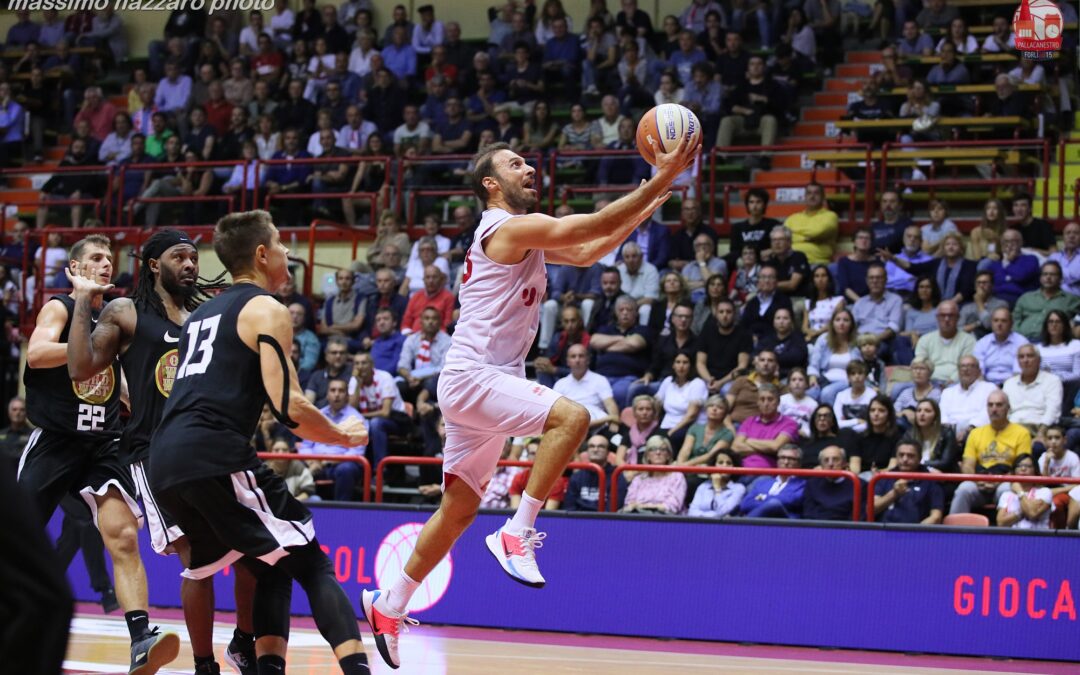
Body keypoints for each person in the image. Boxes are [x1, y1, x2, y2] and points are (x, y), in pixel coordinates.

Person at [362, 137, 698, 668]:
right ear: (491, 185)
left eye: (527, 161)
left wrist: (646, 204)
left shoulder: (524, 238)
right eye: (515, 165)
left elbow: (587, 251)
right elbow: (580, 228)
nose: (529, 169)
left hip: (483, 381)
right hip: (476, 376)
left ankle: (389, 604)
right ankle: (516, 533)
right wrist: (661, 178)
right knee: (574, 415)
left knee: (459, 508)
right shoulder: (506, 226)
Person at [148, 212, 372, 675]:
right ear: (261, 254)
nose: (290, 251)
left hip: (165, 463)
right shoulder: (267, 308)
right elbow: (289, 408)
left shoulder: (202, 315)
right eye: (281, 242)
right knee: (313, 565)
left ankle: (247, 663)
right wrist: (344, 435)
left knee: (271, 561)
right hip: (213, 451)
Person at [64, 230, 259, 674]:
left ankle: (244, 642)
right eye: (179, 257)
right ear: (154, 264)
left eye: (195, 257)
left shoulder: (205, 316)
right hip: (153, 455)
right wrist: (81, 301)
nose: (191, 264)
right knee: (198, 558)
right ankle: (204, 664)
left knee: (254, 550)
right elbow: (79, 368)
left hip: (206, 448)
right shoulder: (126, 311)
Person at [22, 234, 180, 673]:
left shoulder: (115, 319)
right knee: (17, 536)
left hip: (103, 445)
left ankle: (141, 638)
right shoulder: (59, 307)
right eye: (95, 258)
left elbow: (124, 387)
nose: (106, 265)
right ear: (74, 268)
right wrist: (96, 354)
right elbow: (35, 354)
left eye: (110, 259)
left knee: (124, 535)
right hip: (55, 439)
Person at [950, 390, 1032, 515]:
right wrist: (979, 481)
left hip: (1005, 482)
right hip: (979, 482)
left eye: (999, 405)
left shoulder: (1022, 433)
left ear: (1008, 408)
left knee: (1005, 491)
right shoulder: (975, 433)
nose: (994, 409)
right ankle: (954, 533)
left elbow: (1023, 467)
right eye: (990, 405)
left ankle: (1008, 533)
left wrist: (998, 480)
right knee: (964, 489)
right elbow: (967, 465)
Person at [296, 378, 368, 502]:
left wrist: (326, 461)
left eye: (341, 391)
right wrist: (311, 461)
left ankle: (340, 509)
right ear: (327, 394)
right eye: (333, 390)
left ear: (347, 396)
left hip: (340, 464)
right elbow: (306, 445)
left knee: (346, 469)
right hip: (315, 462)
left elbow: (356, 452)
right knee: (295, 465)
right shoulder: (317, 415)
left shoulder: (357, 418)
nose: (336, 394)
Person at [872, 440, 945, 524]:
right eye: (901, 455)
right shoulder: (883, 477)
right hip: (883, 531)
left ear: (920, 458)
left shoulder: (931, 480)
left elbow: (936, 517)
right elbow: (872, 510)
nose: (905, 459)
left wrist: (914, 533)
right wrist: (894, 494)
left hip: (917, 533)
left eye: (910, 456)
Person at [553, 344, 621, 431]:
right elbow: (555, 411)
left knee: (617, 439)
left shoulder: (600, 380)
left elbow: (610, 403)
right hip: (570, 428)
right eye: (573, 356)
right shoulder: (560, 384)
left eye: (581, 356)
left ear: (588, 360)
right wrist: (610, 418)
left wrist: (614, 422)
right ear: (568, 361)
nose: (577, 360)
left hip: (599, 427)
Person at [912, 300, 976, 385]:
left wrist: (951, 381)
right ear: (937, 318)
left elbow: (967, 367)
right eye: (943, 315)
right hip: (927, 382)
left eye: (950, 315)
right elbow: (919, 364)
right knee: (897, 389)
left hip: (956, 383)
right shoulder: (925, 339)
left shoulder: (969, 341)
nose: (946, 319)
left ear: (958, 318)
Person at [1015, 262, 1080, 342]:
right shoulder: (1026, 298)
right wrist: (1017, 339)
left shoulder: (1071, 300)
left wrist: (1074, 326)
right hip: (1022, 341)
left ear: (1060, 279)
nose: (1048, 277)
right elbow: (1015, 320)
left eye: (1052, 274)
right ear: (1040, 278)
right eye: (1045, 274)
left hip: (1051, 343)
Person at [807, 308, 861, 406]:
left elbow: (860, 367)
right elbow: (814, 363)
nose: (841, 323)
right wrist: (813, 377)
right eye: (838, 320)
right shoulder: (823, 339)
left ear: (851, 324)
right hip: (824, 379)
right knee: (809, 395)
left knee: (827, 393)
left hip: (847, 381)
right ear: (832, 323)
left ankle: (833, 420)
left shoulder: (857, 342)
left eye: (846, 320)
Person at [621, 435, 686, 514]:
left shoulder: (677, 476)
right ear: (647, 456)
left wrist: (643, 506)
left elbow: (673, 506)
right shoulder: (639, 479)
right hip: (638, 517)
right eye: (653, 449)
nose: (658, 452)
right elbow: (629, 504)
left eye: (663, 449)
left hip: (666, 519)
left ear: (668, 455)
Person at [739, 444, 806, 518]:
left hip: (785, 523)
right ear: (777, 461)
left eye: (791, 459)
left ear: (799, 464)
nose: (786, 462)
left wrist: (763, 497)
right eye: (782, 458)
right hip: (760, 521)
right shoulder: (762, 482)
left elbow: (790, 501)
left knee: (774, 504)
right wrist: (770, 500)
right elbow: (745, 504)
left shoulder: (803, 484)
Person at [563, 435, 627, 511]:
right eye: (591, 446)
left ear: (608, 452)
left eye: (601, 447)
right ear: (587, 451)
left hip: (604, 521)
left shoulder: (616, 476)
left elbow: (613, 508)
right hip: (578, 520)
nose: (595, 450)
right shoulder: (577, 476)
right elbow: (569, 507)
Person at [783, 182, 838, 265]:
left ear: (823, 197)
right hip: (792, 262)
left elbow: (816, 232)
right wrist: (806, 238)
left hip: (817, 263)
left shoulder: (830, 216)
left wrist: (795, 233)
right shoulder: (792, 218)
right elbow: (784, 237)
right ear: (805, 197)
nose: (812, 196)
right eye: (809, 193)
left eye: (816, 193)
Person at [973, 307, 1027, 386]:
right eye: (996, 320)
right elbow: (978, 373)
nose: (999, 324)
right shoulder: (982, 343)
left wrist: (1006, 388)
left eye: (1004, 321)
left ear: (1011, 324)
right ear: (991, 323)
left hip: (1014, 385)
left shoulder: (1022, 343)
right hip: (986, 386)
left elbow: (1018, 374)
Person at [996, 453, 1053, 529]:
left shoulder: (1044, 492)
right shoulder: (1006, 495)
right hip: (1013, 537)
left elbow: (1033, 514)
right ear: (1014, 471)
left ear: (1035, 471)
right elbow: (1001, 523)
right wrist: (1024, 510)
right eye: (1019, 466)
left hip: (1037, 538)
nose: (1023, 469)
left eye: (1028, 466)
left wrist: (1019, 491)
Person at [803, 445, 859, 521]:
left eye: (835, 459)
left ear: (844, 463)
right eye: (826, 460)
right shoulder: (812, 484)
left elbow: (859, 517)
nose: (830, 464)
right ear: (821, 465)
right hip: (817, 528)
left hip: (847, 529)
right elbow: (808, 514)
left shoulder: (858, 485)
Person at [688, 449, 745, 518]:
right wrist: (713, 516)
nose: (725, 466)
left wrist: (717, 488)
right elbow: (692, 512)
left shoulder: (738, 488)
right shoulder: (703, 486)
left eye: (729, 463)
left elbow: (722, 512)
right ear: (713, 465)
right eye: (720, 462)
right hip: (699, 524)